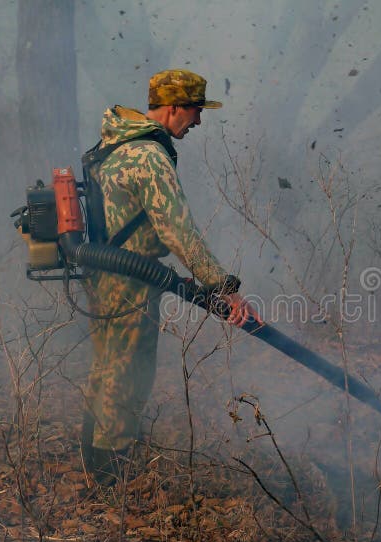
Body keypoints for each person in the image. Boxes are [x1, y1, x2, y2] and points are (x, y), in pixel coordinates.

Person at [82, 69, 260, 485]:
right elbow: (178, 231)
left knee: (107, 368)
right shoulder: (149, 156)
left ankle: (93, 463)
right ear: (174, 107)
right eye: (195, 111)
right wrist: (226, 289)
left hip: (105, 273)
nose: (197, 122)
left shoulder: (116, 144)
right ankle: (112, 480)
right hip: (129, 280)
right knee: (128, 373)